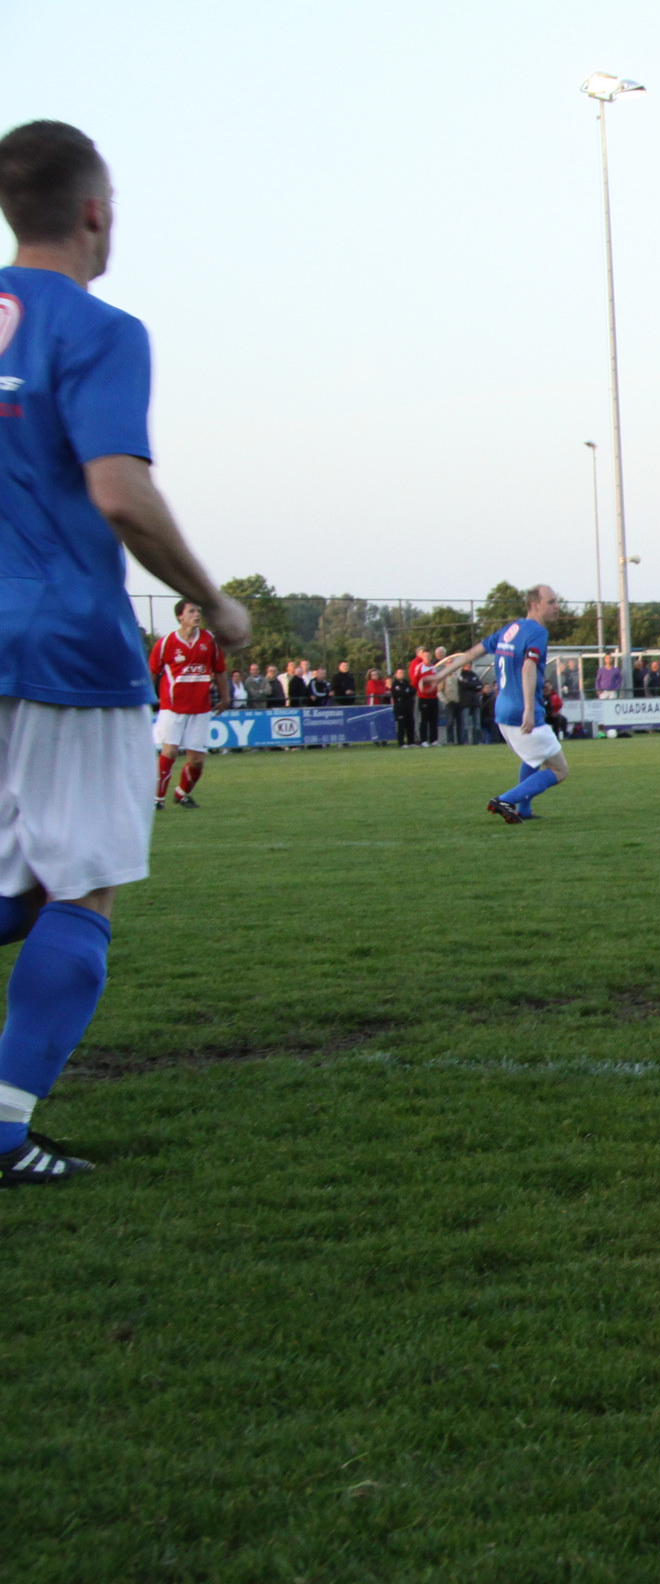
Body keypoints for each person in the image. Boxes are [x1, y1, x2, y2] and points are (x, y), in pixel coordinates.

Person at [0, 119, 251, 1186]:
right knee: (84, 886)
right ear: (95, 212)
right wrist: (214, 600)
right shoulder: (99, 329)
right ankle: (4, 1129)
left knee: (22, 879)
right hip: (65, 644)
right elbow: (119, 491)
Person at [423, 584, 571, 823]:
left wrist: (440, 675)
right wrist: (529, 711)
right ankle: (505, 800)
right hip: (522, 710)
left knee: (531, 758)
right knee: (559, 770)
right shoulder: (537, 632)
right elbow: (528, 668)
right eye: (551, 602)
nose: (557, 607)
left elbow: (472, 653)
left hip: (502, 710)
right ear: (535, 605)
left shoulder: (510, 630)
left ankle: (523, 810)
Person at [147, 597, 225, 809]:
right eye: (191, 611)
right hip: (172, 708)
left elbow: (219, 670)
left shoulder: (209, 641)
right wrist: (145, 697)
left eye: (198, 610)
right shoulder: (166, 643)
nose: (197, 614)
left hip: (200, 709)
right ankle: (157, 800)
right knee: (170, 751)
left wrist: (225, 698)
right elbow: (152, 671)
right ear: (180, 616)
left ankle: (181, 794)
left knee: (197, 760)